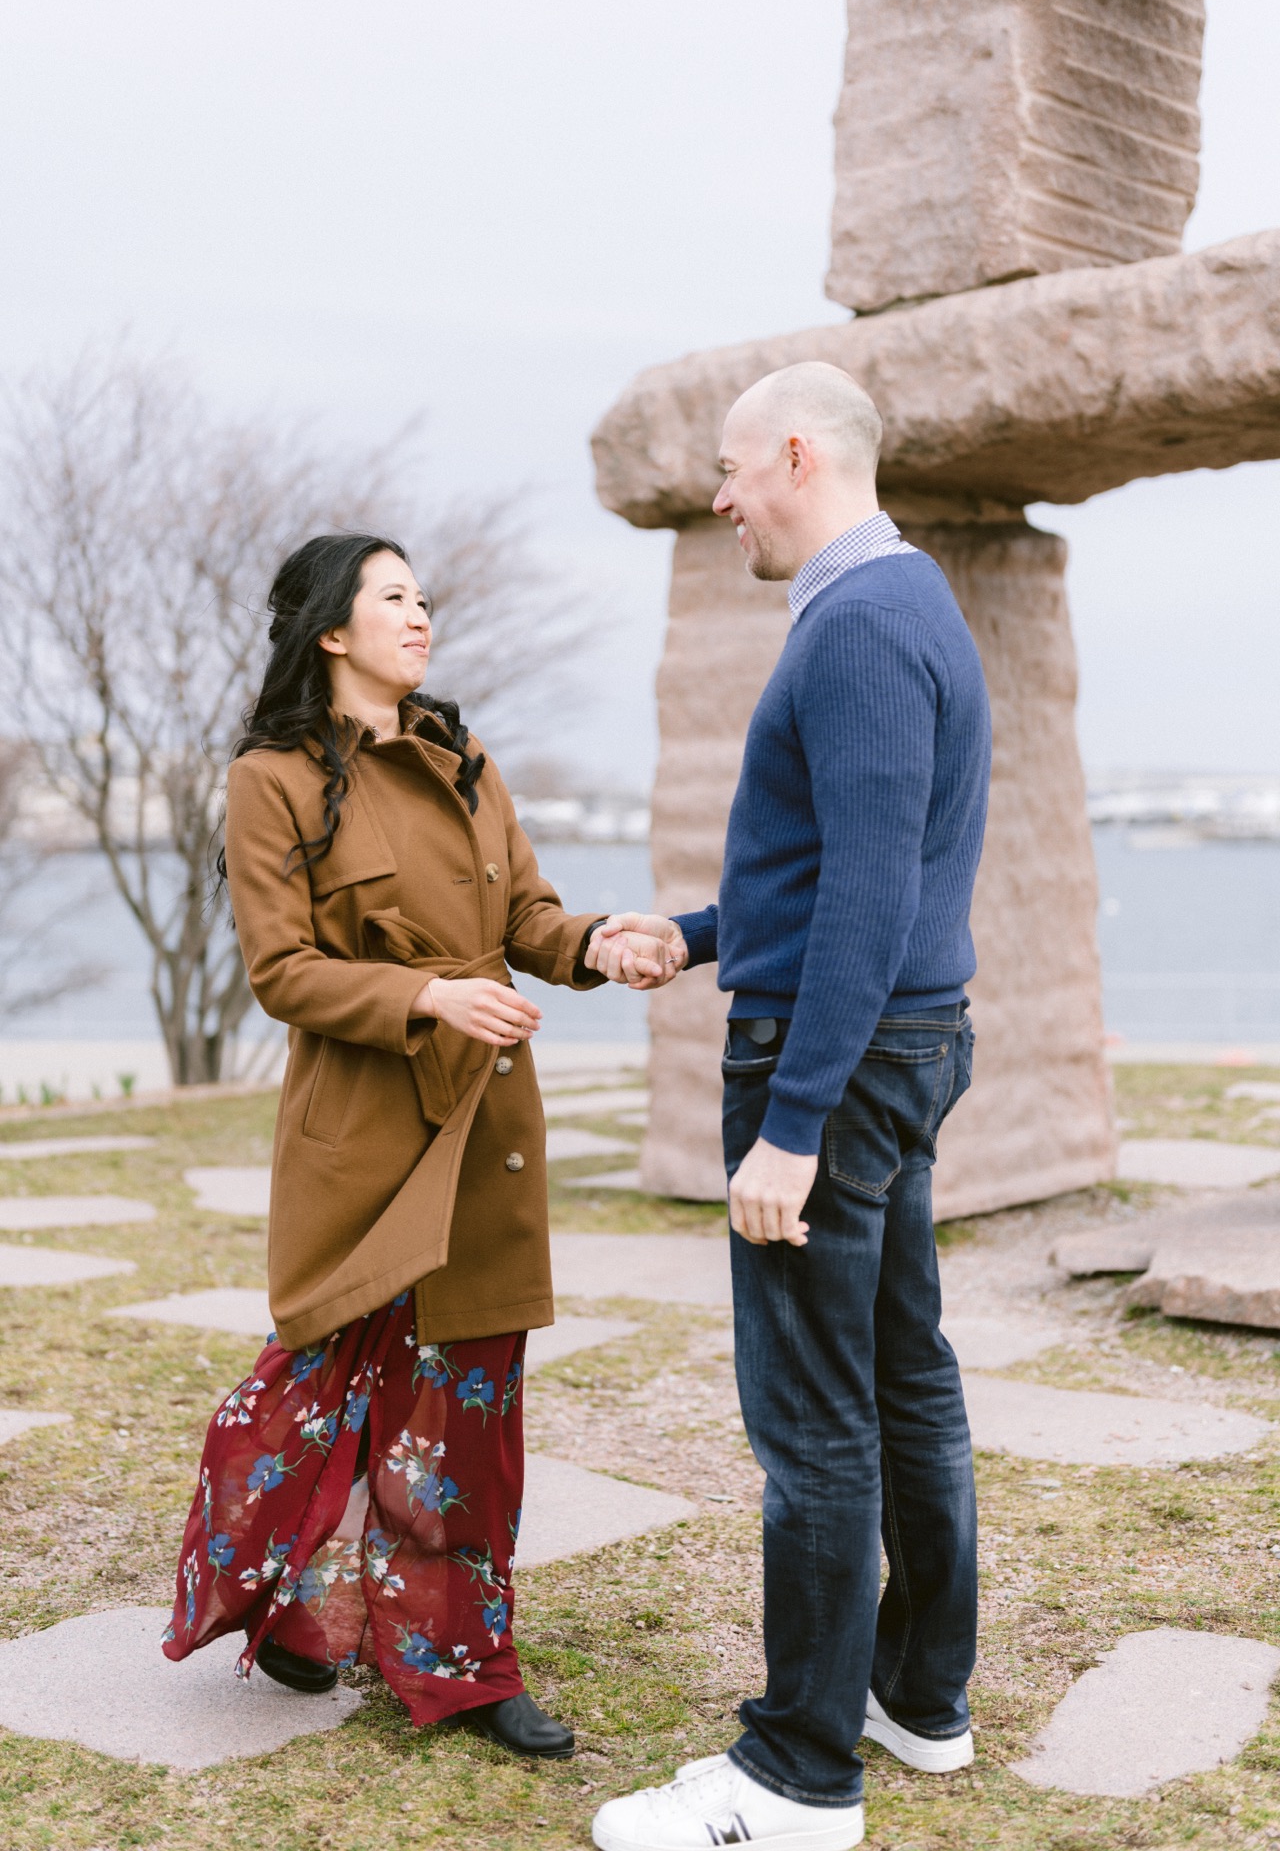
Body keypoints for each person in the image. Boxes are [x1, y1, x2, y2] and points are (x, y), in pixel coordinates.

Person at [163, 531, 676, 1758]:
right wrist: (427, 999)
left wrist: (601, 940)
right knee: (314, 1389)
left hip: (485, 1122)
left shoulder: (465, 757)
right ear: (330, 631)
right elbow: (280, 972)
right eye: (393, 597)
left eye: (424, 596)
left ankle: (462, 1669)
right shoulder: (269, 778)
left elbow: (527, 919)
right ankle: (289, 1608)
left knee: (468, 1407)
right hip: (367, 1128)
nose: (421, 614)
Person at [586, 362, 991, 1851]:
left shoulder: (865, 622)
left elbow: (877, 892)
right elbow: (833, 868)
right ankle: (918, 1700)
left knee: (816, 1424)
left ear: (800, 455)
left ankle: (798, 1778)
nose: (719, 494)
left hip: (848, 1063)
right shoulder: (898, 600)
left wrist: (795, 1123)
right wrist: (694, 938)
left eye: (732, 468)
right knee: (901, 1376)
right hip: (896, 1044)